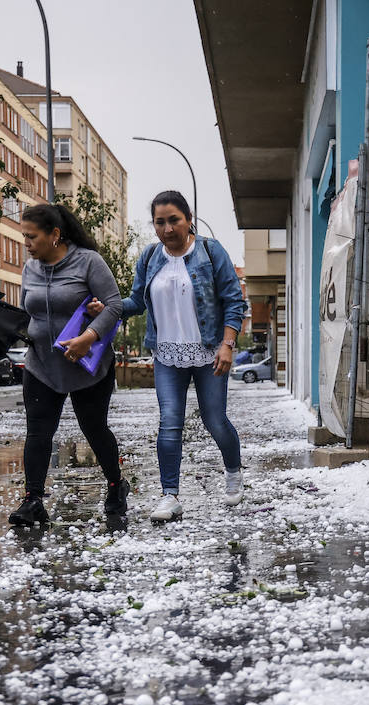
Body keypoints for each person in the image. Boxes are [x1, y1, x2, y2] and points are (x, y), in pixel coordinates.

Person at [118, 190, 246, 521]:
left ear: (188, 219)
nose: (167, 228)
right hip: (166, 354)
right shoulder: (149, 257)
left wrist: (227, 344)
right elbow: (136, 302)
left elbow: (234, 300)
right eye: (159, 222)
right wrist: (108, 308)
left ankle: (233, 472)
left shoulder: (209, 251)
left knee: (214, 421)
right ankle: (169, 495)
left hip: (210, 353)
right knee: (169, 423)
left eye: (174, 220)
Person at [7, 203, 128, 527]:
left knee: (94, 428)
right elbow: (27, 311)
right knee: (38, 432)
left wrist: (88, 336)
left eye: (32, 237)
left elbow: (114, 305)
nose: (27, 244)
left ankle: (116, 485)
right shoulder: (30, 268)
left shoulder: (88, 261)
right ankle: (33, 500)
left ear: (55, 235)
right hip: (41, 364)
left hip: (88, 365)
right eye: (24, 237)